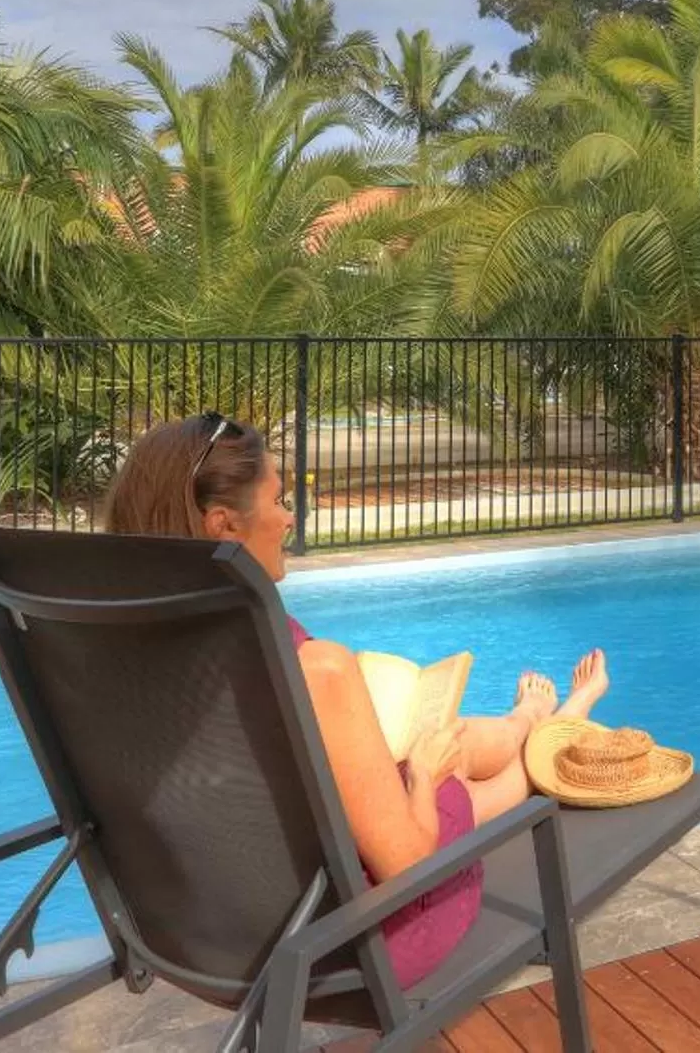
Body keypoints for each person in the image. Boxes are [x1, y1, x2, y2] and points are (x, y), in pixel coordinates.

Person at [100, 412, 610, 981]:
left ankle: (531, 721)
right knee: (448, 777)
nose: (289, 518)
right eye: (278, 500)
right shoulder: (311, 669)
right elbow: (406, 867)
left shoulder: (115, 657)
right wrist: (423, 777)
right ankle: (553, 732)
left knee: (442, 748)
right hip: (352, 943)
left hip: (198, 939)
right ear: (224, 526)